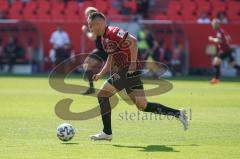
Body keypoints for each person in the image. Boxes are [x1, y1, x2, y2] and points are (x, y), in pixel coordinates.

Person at [87, 12, 188, 141]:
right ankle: (178, 113)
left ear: (98, 23)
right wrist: (101, 73)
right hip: (127, 73)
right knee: (143, 105)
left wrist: (133, 65)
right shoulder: (104, 38)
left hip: (125, 71)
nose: (90, 29)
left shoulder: (113, 31)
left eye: (91, 26)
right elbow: (111, 56)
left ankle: (107, 132)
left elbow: (133, 41)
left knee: (102, 95)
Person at [81, 7, 108, 95]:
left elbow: (93, 37)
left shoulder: (94, 23)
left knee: (87, 64)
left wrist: (85, 31)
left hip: (105, 50)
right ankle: (91, 88)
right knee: (88, 64)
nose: (86, 17)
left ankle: (91, 88)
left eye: (87, 15)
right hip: (104, 49)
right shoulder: (99, 21)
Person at [208, 18, 240, 84]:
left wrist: (212, 39)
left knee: (216, 61)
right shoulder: (221, 31)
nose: (212, 25)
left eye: (214, 23)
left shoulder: (219, 31)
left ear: (217, 24)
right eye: (212, 23)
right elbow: (228, 38)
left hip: (224, 50)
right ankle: (216, 79)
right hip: (227, 50)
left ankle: (216, 79)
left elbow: (220, 40)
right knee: (233, 65)